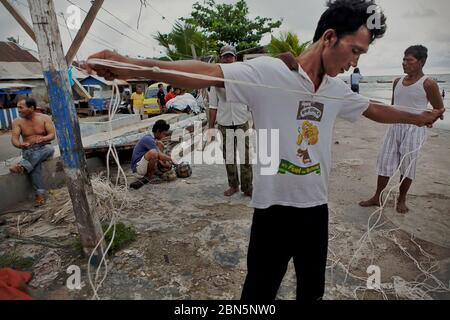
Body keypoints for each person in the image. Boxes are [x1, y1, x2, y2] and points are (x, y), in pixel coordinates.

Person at [85, 0, 445, 301]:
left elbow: (373, 108)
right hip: (272, 210)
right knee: (258, 294)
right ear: (329, 38)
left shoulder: (337, 90)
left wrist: (419, 117)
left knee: (312, 292)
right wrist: (133, 66)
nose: (355, 63)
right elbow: (208, 74)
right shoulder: (268, 73)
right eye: (354, 51)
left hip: (315, 209)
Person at [360, 45, 445, 213]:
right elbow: (393, 106)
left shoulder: (428, 84)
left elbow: (439, 109)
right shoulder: (397, 81)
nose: (404, 63)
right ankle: (377, 196)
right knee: (385, 160)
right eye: (403, 59)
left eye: (409, 60)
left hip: (415, 128)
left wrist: (429, 120)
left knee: (408, 163)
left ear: (421, 62)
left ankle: (402, 199)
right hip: (395, 125)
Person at [208, 45, 253, 197]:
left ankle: (247, 187)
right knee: (229, 156)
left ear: (235, 58)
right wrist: (210, 127)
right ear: (221, 58)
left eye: (230, 56)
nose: (228, 59)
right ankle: (233, 185)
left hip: (241, 120)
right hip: (225, 122)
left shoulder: (243, 78)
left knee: (245, 155)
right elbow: (213, 105)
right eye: (225, 57)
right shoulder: (215, 80)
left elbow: (252, 101)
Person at [9, 98, 55, 207]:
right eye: (18, 107)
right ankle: (40, 195)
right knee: (35, 165)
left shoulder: (45, 118)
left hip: (44, 147)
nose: (18, 110)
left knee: (49, 149)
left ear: (31, 108)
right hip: (29, 150)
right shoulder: (17, 122)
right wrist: (20, 145)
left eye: (21, 107)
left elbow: (52, 135)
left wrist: (44, 139)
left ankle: (23, 166)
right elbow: (14, 139)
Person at [130, 120, 174, 187]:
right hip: (137, 170)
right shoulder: (148, 139)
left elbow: (160, 157)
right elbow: (159, 156)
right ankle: (149, 177)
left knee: (160, 144)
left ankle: (156, 170)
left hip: (143, 166)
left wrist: (165, 164)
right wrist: (172, 159)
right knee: (153, 153)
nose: (164, 136)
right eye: (164, 134)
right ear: (158, 131)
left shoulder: (153, 139)